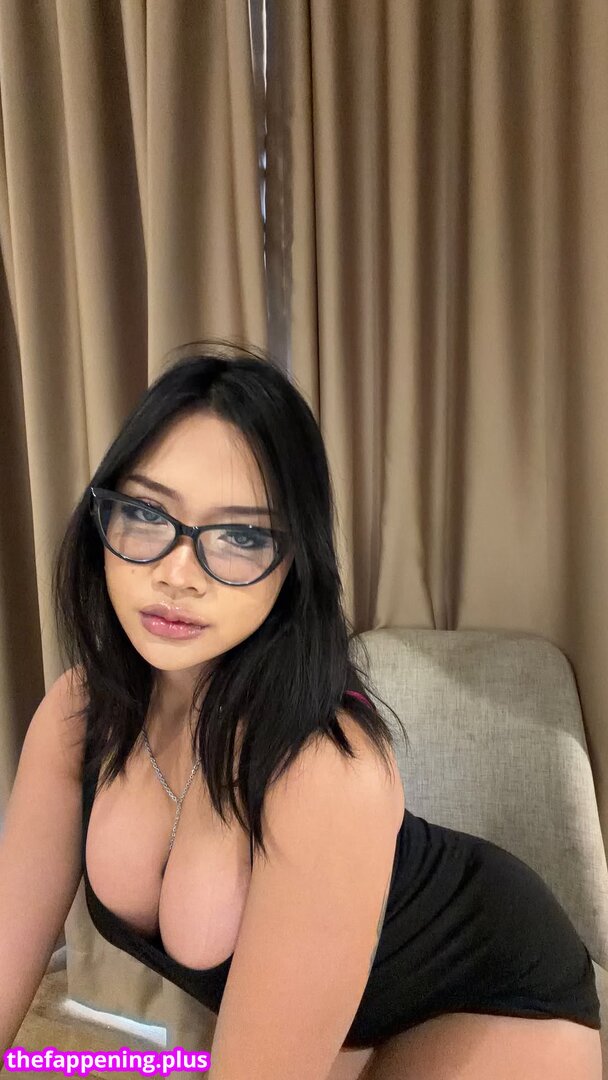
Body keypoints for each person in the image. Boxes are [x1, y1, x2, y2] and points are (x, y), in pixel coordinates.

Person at [0, 341, 602, 1080]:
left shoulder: (323, 770)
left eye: (241, 535)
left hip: (493, 1000)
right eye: (148, 513)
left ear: (292, 563)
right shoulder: (78, 716)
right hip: (342, 1016)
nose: (178, 573)